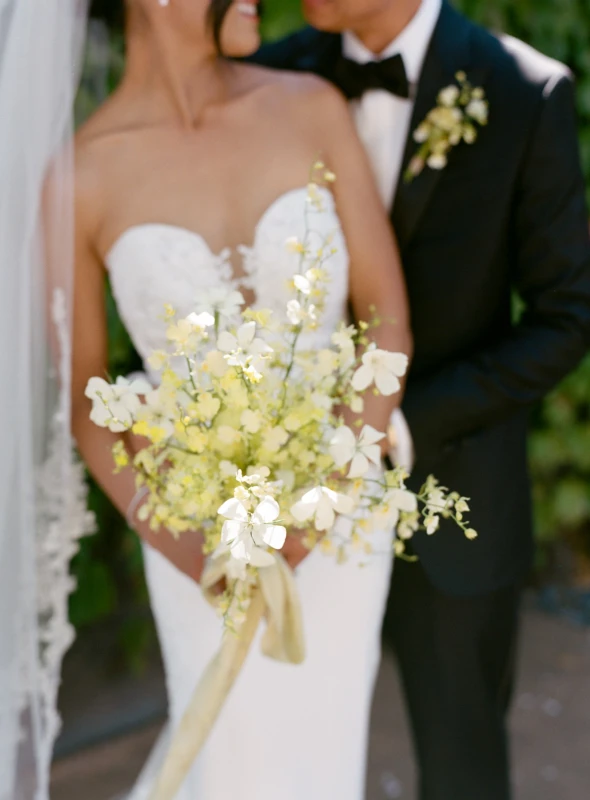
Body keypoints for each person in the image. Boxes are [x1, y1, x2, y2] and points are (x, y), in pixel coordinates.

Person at [68, 1, 412, 799]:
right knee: (232, 766)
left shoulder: (309, 108)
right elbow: (88, 401)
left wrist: (321, 499)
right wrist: (201, 553)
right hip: (197, 541)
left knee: (323, 763)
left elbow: (385, 321)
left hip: (344, 523)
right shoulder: (81, 175)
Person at [253, 1, 590, 798]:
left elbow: (566, 317)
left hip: (453, 504)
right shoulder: (272, 75)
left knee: (461, 770)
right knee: (285, 759)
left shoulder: (523, 92)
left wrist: (396, 424)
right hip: (291, 509)